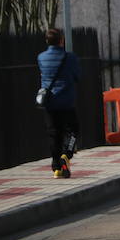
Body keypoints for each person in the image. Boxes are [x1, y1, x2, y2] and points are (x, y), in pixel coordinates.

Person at [37, 28, 80, 178]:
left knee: (54, 134)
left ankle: (56, 168)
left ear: (47, 41)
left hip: (49, 102)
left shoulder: (41, 57)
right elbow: (77, 76)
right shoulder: (70, 58)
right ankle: (66, 155)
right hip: (66, 102)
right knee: (73, 130)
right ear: (61, 41)